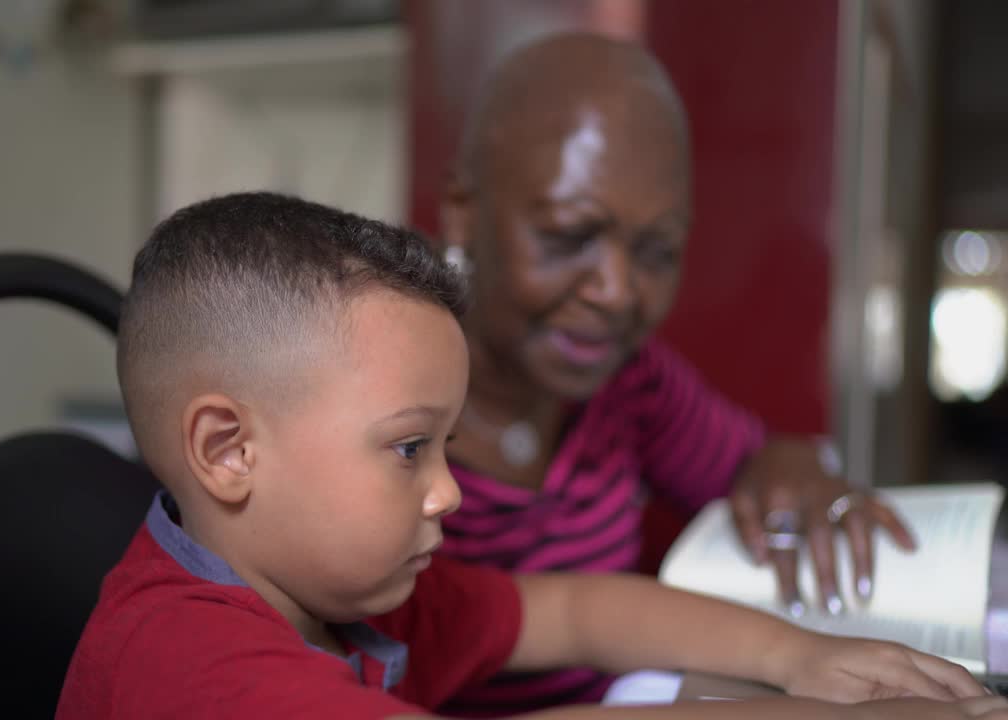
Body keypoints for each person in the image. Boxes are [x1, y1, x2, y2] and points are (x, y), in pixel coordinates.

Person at [55, 192, 1000, 720]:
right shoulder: (188, 668)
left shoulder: (343, 586)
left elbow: (571, 608)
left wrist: (803, 659)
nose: (449, 493)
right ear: (228, 452)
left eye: (446, 448)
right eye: (410, 448)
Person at [434, 33, 917, 712]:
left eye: (657, 252)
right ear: (463, 214)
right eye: (569, 237)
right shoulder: (377, 392)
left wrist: (790, 470)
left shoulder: (629, 382)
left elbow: (757, 458)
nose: (618, 291)